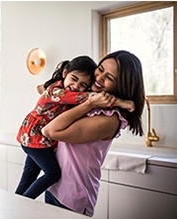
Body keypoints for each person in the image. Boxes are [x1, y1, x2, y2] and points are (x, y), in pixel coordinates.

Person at [41, 50, 145, 217]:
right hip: (55, 187)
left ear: (122, 86)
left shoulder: (109, 119)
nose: (99, 78)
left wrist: (89, 104)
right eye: (101, 68)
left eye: (110, 78)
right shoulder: (91, 101)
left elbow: (50, 131)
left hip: (73, 196)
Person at [15, 55, 134, 200]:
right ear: (65, 73)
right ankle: (22, 204)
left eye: (83, 85)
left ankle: (19, 202)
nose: (77, 87)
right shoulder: (60, 92)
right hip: (35, 137)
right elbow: (82, 98)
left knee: (29, 175)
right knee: (51, 173)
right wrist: (120, 102)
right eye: (74, 79)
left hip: (37, 140)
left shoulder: (107, 117)